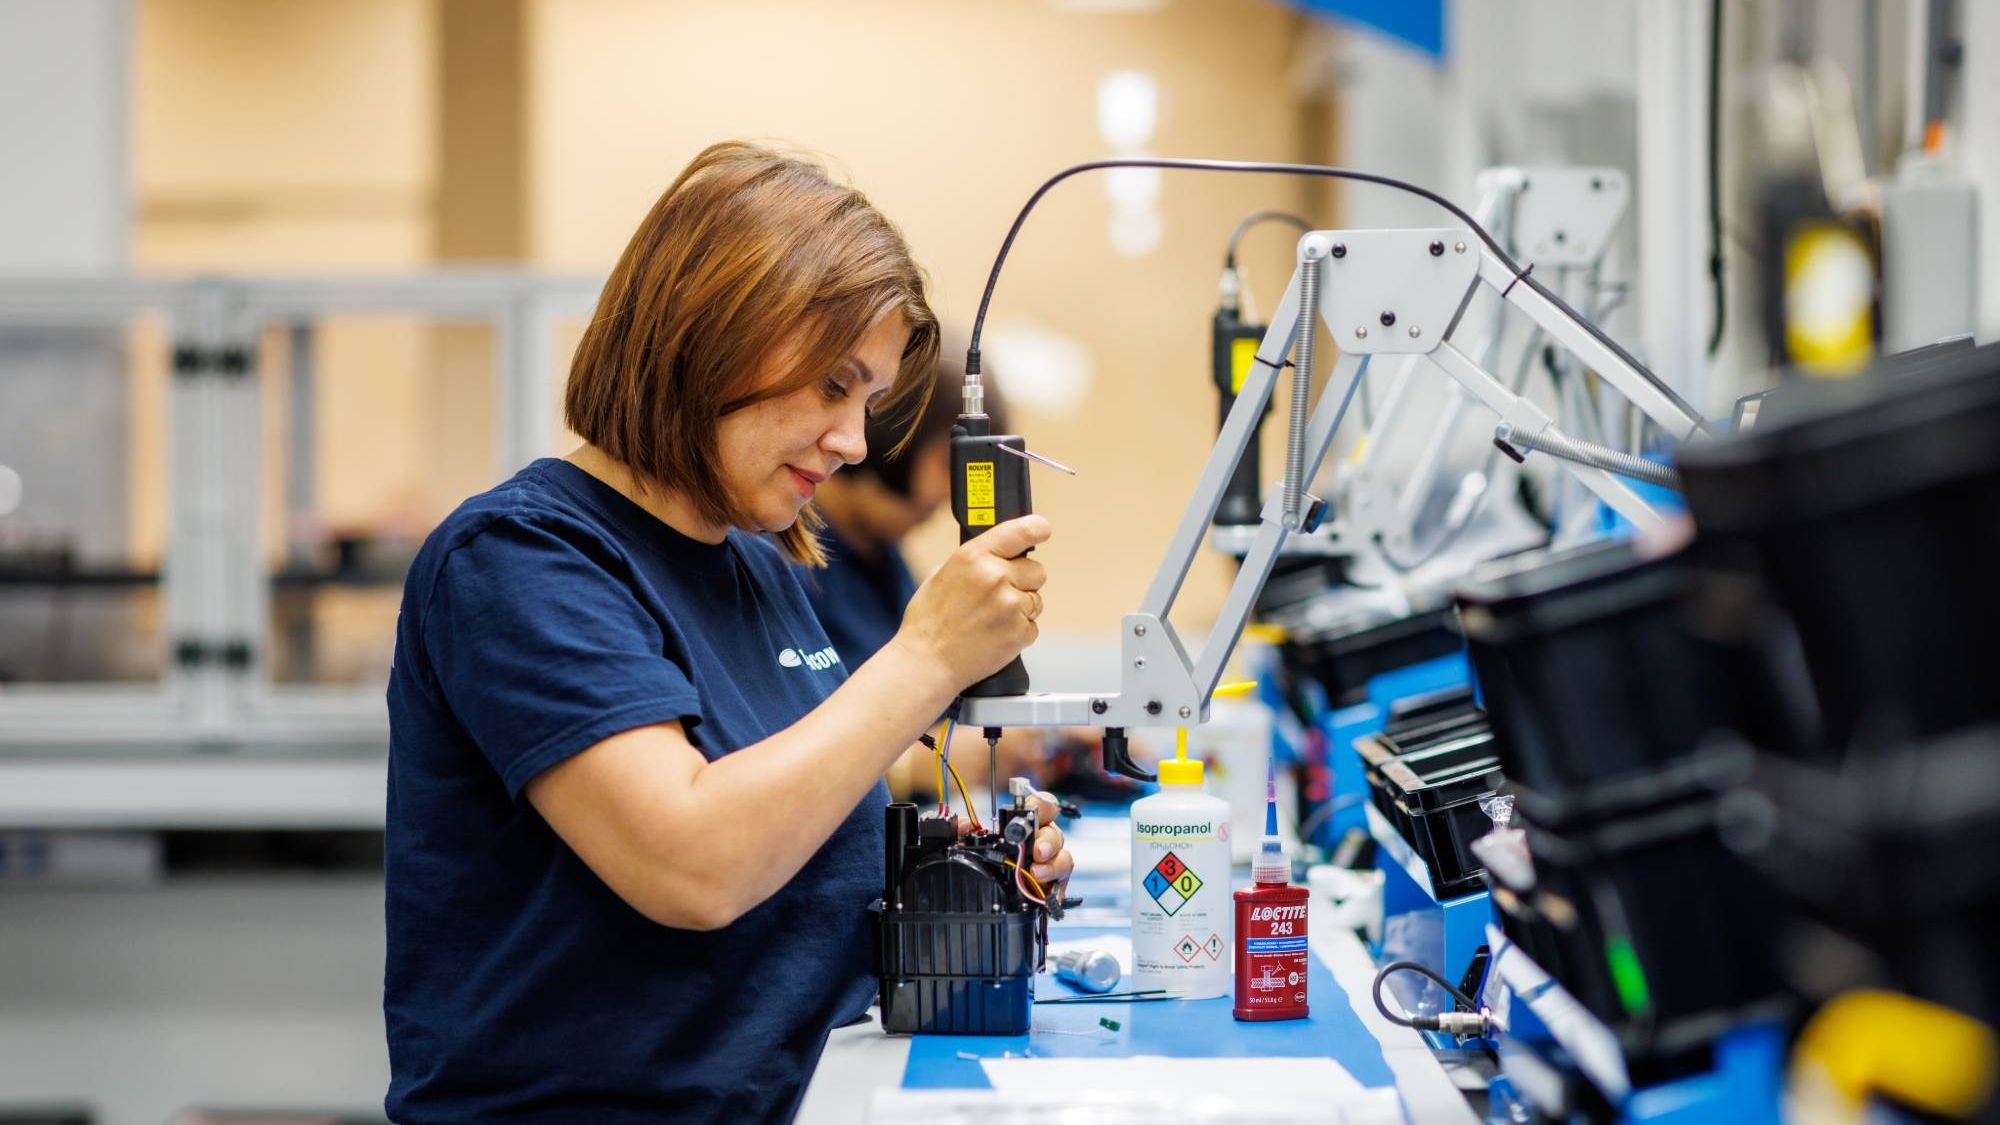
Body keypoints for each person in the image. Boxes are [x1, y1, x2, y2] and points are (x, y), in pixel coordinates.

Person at [382, 142, 1073, 1124]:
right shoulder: (520, 560)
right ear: (711, 334)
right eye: (834, 387)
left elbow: (798, 844)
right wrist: (923, 658)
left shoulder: (762, 562)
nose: (853, 443)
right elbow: (691, 864)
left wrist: (972, 871)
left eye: (868, 402)